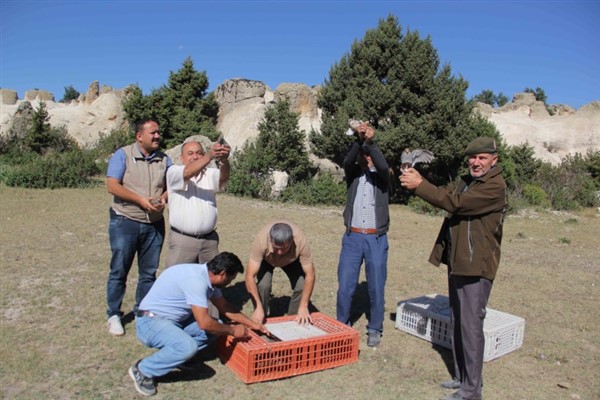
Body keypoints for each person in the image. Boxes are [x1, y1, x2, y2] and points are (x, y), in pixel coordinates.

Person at [400, 137, 508, 400]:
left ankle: (472, 390)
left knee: (471, 325)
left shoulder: (495, 186)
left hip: (476, 265)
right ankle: (462, 377)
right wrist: (420, 180)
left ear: (494, 160)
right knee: (459, 321)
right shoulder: (469, 180)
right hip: (460, 260)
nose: (476, 162)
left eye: (482, 158)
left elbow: (456, 203)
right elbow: (451, 196)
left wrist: (420, 186)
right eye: (472, 158)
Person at [129, 252, 269, 396]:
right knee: (189, 345)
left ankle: (181, 358)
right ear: (222, 274)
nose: (231, 283)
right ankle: (143, 369)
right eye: (231, 278)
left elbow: (224, 307)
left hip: (174, 321)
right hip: (150, 322)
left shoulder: (208, 278)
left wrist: (253, 324)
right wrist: (233, 330)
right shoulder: (197, 281)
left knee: (218, 325)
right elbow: (204, 323)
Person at [105, 118, 171, 336]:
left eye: (158, 132)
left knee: (149, 273)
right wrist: (140, 200)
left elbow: (173, 185)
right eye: (153, 133)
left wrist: (163, 197)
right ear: (139, 136)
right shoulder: (122, 155)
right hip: (125, 221)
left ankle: (142, 311)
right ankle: (114, 314)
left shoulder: (164, 159)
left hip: (154, 224)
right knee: (119, 270)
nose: (157, 136)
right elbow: (112, 185)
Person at [335, 121, 390, 348]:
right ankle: (342, 325)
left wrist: (371, 144)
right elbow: (348, 160)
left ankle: (375, 328)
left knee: (376, 286)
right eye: (363, 156)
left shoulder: (383, 179)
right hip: (353, 237)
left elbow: (383, 166)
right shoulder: (353, 176)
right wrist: (359, 141)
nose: (366, 159)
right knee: (346, 284)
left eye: (369, 157)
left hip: (376, 238)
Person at [165, 139, 231, 267]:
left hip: (209, 241)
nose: (195, 157)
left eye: (199, 153)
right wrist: (209, 156)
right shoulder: (174, 172)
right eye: (190, 153)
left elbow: (224, 177)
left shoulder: (209, 174)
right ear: (181, 158)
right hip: (183, 241)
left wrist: (223, 160)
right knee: (178, 281)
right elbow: (187, 172)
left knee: (209, 282)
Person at [245, 220, 316, 325]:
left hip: (291, 260)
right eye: (276, 248)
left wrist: (304, 306)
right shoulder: (261, 240)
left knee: (301, 285)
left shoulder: (300, 241)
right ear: (270, 239)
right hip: (267, 259)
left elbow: (310, 275)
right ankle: (260, 317)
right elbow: (250, 276)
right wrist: (258, 306)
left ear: (292, 241)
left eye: (283, 248)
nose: (279, 252)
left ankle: (293, 319)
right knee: (264, 286)